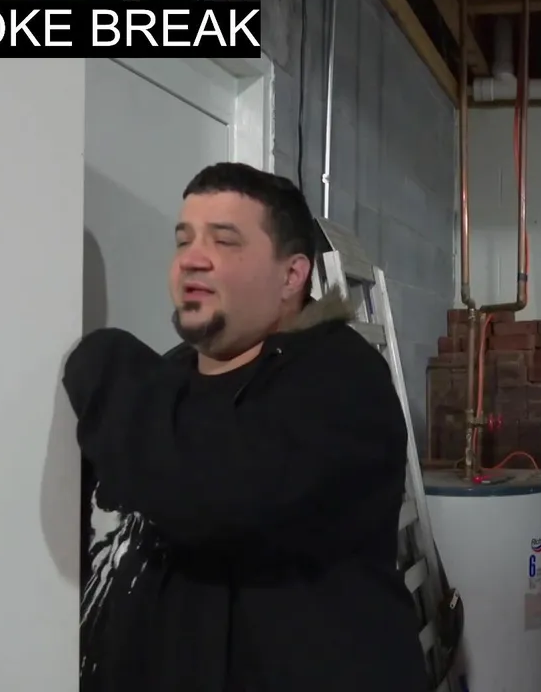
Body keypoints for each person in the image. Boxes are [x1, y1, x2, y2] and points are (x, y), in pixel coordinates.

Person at [64, 162, 428, 692]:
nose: (192, 258)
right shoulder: (164, 381)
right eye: (184, 239)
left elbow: (213, 497)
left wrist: (100, 357)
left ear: (291, 276)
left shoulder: (342, 379)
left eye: (224, 240)